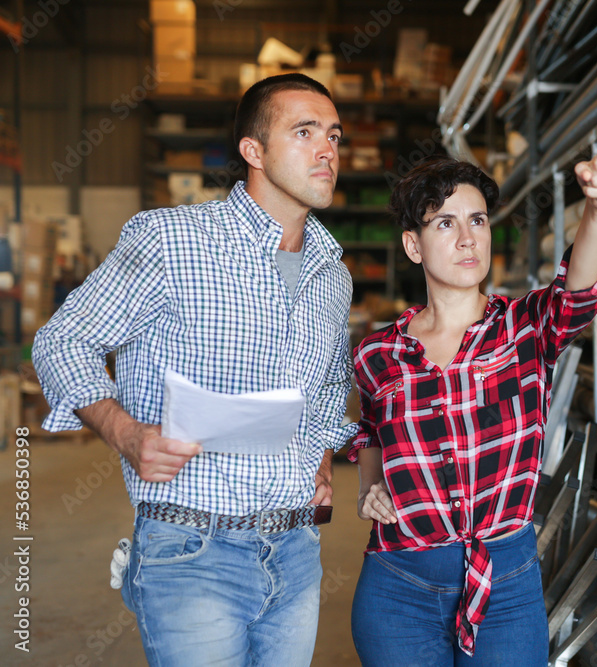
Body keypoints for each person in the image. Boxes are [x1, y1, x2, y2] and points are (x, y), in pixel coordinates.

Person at [32, 73, 356, 666]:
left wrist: (322, 457)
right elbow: (63, 341)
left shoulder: (332, 275)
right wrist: (126, 434)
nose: (327, 149)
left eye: (333, 135)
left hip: (295, 550)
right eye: (304, 131)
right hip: (193, 549)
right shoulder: (170, 241)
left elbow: (330, 387)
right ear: (252, 151)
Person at [349, 117, 597, 665]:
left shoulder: (524, 327)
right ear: (413, 244)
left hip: (505, 582)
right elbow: (370, 433)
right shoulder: (376, 354)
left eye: (476, 220)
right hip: (399, 585)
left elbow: (580, 292)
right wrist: (368, 488)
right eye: (444, 224)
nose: (466, 237)